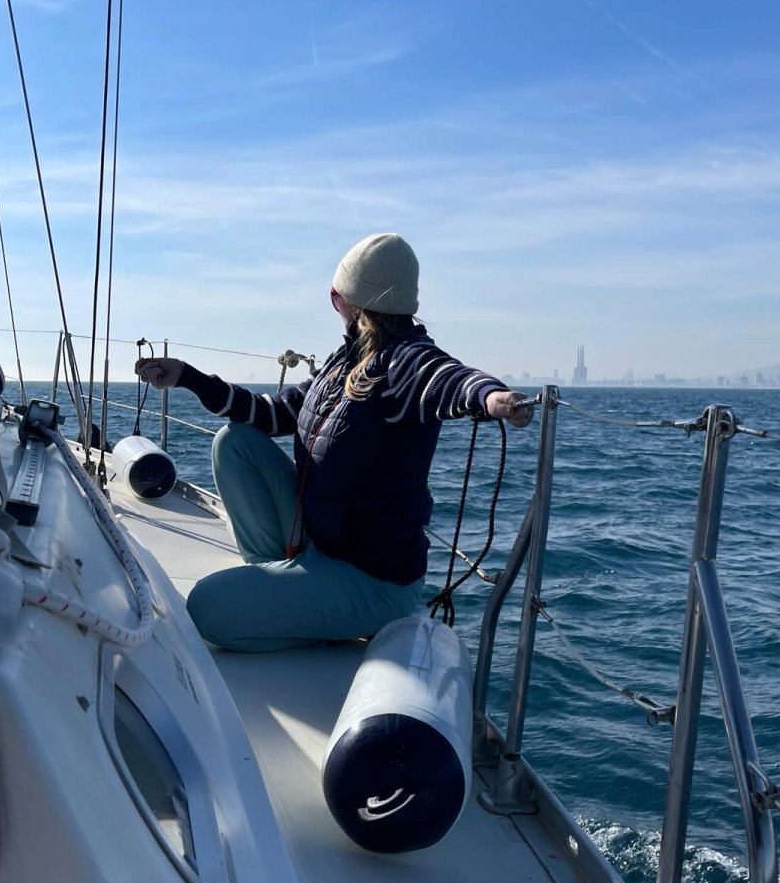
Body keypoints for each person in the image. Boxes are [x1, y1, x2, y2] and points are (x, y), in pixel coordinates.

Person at [135, 233, 532, 652]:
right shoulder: (344, 361)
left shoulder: (406, 360)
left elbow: (447, 378)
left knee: (205, 608)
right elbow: (273, 413)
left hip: (372, 579)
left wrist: (491, 397)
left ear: (340, 298)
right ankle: (283, 580)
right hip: (322, 542)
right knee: (235, 442)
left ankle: (312, 615)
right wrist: (188, 378)